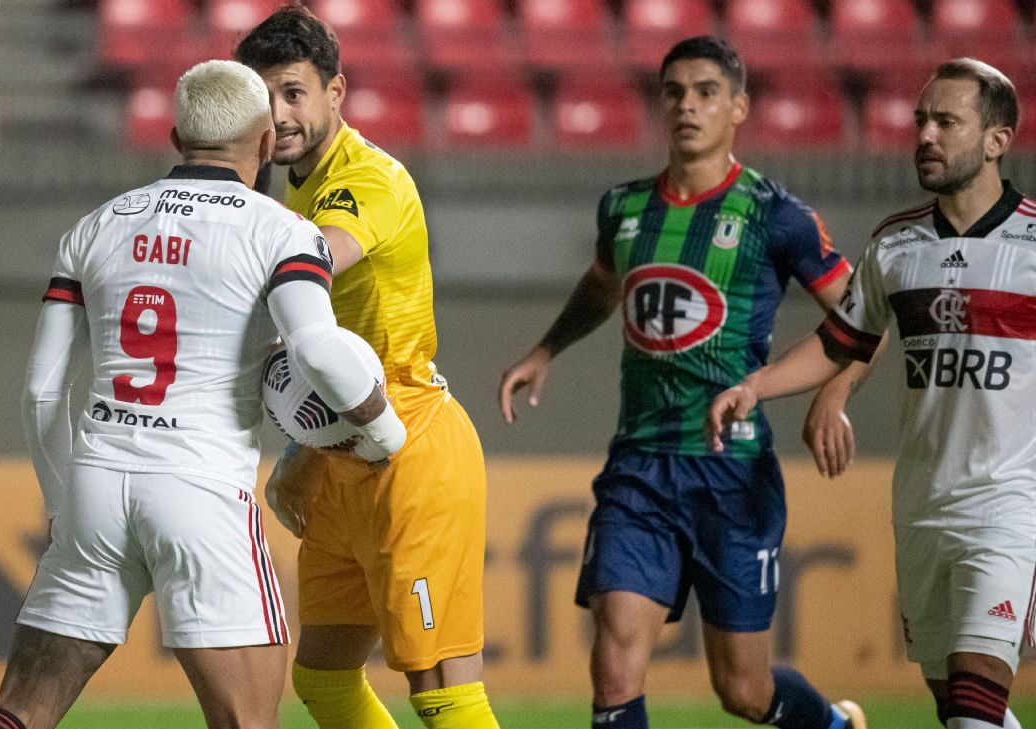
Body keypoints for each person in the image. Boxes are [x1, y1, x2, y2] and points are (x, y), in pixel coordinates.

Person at [0, 59, 406, 729]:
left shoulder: (95, 226)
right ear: (265, 142)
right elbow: (316, 349)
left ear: (175, 138)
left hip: (97, 482)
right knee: (246, 721)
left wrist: (60, 503)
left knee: (18, 712)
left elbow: (40, 390)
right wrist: (382, 431)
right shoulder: (282, 232)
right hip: (200, 488)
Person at [498, 36, 867, 729]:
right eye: (674, 92)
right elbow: (605, 283)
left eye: (705, 92)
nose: (688, 105)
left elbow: (863, 316)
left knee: (744, 692)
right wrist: (547, 346)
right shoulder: (625, 207)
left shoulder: (773, 214)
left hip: (733, 474)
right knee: (613, 664)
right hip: (638, 467)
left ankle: (836, 724)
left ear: (739, 108)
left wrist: (834, 393)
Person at [708, 58, 1032, 729]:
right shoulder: (897, 244)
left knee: (974, 709)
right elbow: (842, 341)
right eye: (921, 120)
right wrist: (756, 387)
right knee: (959, 711)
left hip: (1011, 509)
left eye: (947, 121)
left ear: (998, 139)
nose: (926, 135)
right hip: (922, 508)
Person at [234, 8, 501, 729]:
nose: (279, 115)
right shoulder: (296, 185)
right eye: (263, 99)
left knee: (439, 686)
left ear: (335, 91)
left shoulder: (366, 180)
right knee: (322, 678)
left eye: (294, 92)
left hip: (409, 447)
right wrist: (302, 451)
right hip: (339, 455)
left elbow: (313, 260)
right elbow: (319, 341)